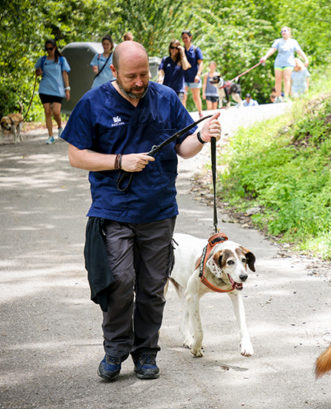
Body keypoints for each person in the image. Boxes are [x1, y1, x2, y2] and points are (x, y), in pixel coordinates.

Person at [61, 41, 222, 382]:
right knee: (118, 282)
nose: (139, 82)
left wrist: (202, 136)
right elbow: (76, 156)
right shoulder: (93, 103)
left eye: (144, 74)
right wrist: (120, 161)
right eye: (131, 76)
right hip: (113, 210)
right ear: (113, 71)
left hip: (159, 210)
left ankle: (146, 351)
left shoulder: (165, 98)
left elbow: (183, 147)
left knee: (152, 287)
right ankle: (115, 349)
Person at [34, 39, 70, 145]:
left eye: (51, 48)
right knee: (47, 112)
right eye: (47, 49)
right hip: (44, 89)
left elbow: (65, 74)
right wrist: (38, 72)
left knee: (56, 112)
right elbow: (37, 72)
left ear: (55, 48)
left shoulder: (61, 60)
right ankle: (50, 136)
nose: (49, 51)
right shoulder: (42, 60)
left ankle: (60, 127)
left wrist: (67, 89)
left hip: (57, 90)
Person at [259, 26, 308, 102]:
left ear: (289, 32)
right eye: (282, 31)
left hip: (289, 63)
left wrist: (306, 59)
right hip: (278, 63)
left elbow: (299, 51)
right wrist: (265, 57)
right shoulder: (278, 41)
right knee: (277, 79)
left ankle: (286, 97)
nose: (283, 32)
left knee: (286, 78)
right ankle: (278, 97)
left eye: (285, 31)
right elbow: (272, 49)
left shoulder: (293, 42)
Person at [181, 30, 204, 117]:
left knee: (195, 97)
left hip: (194, 77)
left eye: (186, 37)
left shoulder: (195, 49)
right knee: (183, 97)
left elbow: (201, 63)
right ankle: (184, 115)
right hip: (184, 77)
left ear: (190, 37)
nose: (185, 40)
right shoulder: (181, 50)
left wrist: (198, 75)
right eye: (183, 38)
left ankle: (200, 113)